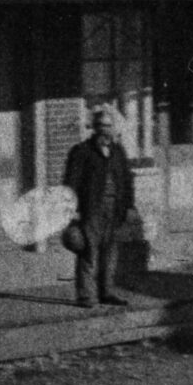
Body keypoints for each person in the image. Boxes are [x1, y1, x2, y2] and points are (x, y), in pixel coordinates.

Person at [61, 103, 136, 307]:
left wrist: (129, 207)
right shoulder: (81, 151)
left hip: (115, 209)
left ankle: (107, 292)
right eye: (102, 127)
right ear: (94, 128)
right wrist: (72, 210)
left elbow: (127, 181)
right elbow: (71, 182)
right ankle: (86, 295)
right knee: (89, 252)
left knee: (110, 253)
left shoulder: (118, 151)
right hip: (91, 209)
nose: (106, 132)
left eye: (109, 127)